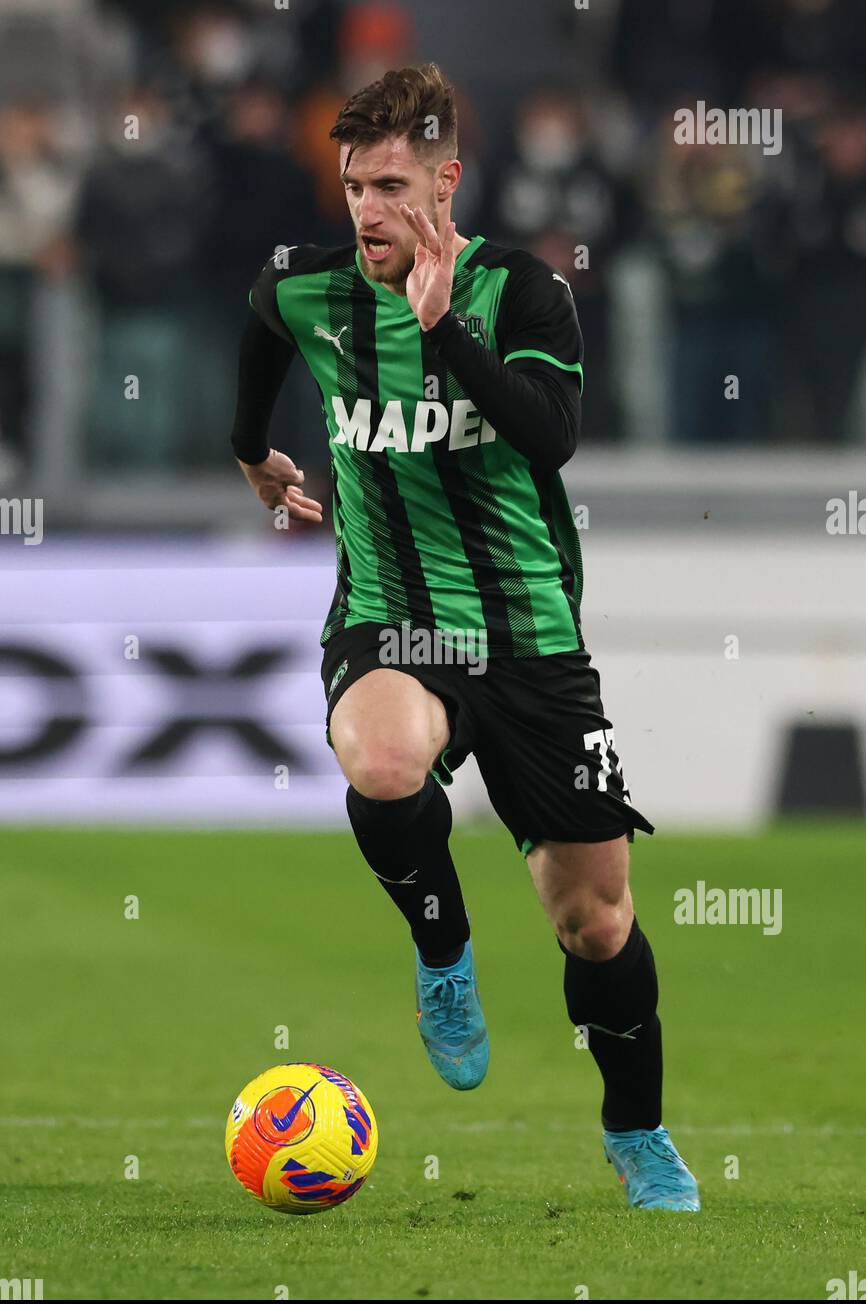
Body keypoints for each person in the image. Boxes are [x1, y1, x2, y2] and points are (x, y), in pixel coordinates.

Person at [230, 63, 699, 1212]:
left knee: (594, 922)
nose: (367, 211)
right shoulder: (309, 287)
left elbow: (548, 437)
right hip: (391, 615)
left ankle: (636, 1132)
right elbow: (257, 331)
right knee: (381, 759)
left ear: (446, 180)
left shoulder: (526, 294)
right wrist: (253, 450)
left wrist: (442, 335)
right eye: (352, 186)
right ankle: (442, 952)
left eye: (391, 186)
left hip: (531, 640)